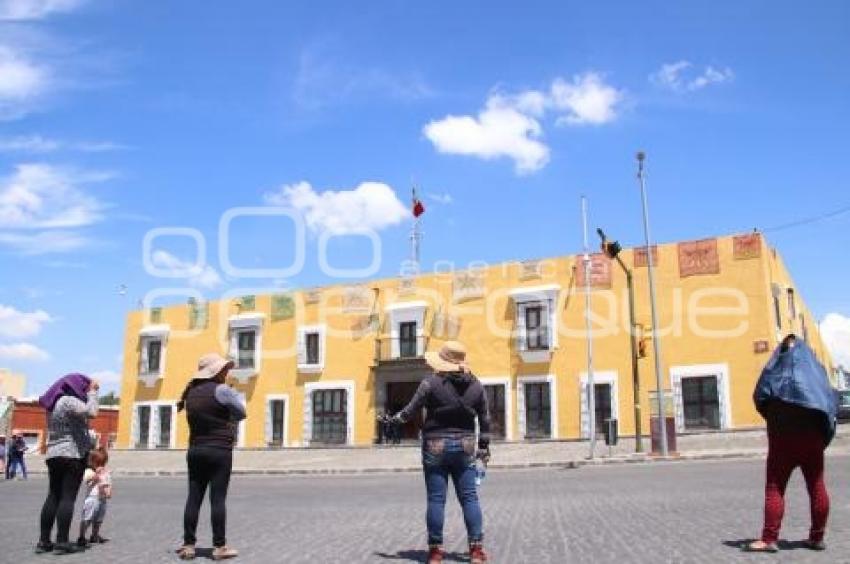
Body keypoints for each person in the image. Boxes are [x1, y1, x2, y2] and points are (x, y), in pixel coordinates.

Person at [392, 340, 491, 564]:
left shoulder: (430, 383)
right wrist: (484, 447)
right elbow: (485, 419)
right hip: (466, 445)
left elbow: (410, 411)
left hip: (435, 444)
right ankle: (476, 551)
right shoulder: (476, 385)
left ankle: (435, 552)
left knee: (436, 499)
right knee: (469, 497)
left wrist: (393, 419)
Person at [746, 334, 838, 553]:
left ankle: (769, 539)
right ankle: (816, 537)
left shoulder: (774, 372)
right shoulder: (816, 373)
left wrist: (774, 414)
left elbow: (760, 396)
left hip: (782, 439)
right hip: (812, 439)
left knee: (775, 487)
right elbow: (829, 404)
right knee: (817, 485)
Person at [176, 353, 245, 560]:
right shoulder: (222, 390)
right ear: (215, 372)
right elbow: (241, 412)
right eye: (224, 370)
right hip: (219, 450)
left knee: (193, 498)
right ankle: (219, 547)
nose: (226, 373)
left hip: (196, 449)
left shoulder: (190, 393)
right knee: (217, 499)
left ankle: (188, 545)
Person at [36, 373, 99, 555]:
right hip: (71, 454)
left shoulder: (52, 404)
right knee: (67, 497)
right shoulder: (68, 400)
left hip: (53, 454)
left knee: (53, 496)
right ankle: (62, 540)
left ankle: (44, 541)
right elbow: (92, 412)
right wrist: (93, 393)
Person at [77, 446, 112, 548]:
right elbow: (88, 481)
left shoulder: (105, 472)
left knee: (99, 519)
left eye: (103, 463)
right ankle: (81, 537)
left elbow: (108, 483)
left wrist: (109, 491)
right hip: (92, 498)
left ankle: (95, 535)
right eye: (98, 464)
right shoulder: (89, 471)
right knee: (87, 518)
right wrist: (97, 474)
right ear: (92, 462)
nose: (101, 466)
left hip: (102, 498)